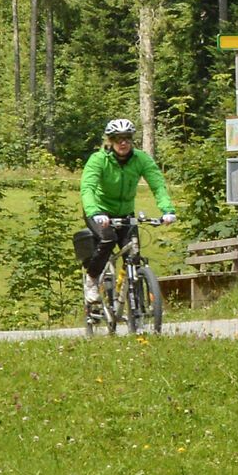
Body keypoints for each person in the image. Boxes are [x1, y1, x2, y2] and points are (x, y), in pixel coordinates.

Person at [79, 116, 176, 323]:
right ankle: (92, 279)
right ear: (110, 140)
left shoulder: (141, 159)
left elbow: (157, 184)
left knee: (134, 254)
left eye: (127, 138)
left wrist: (167, 210)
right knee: (108, 240)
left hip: (125, 214)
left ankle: (133, 302)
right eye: (117, 138)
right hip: (99, 212)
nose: (123, 143)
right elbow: (87, 188)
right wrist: (95, 212)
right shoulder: (99, 160)